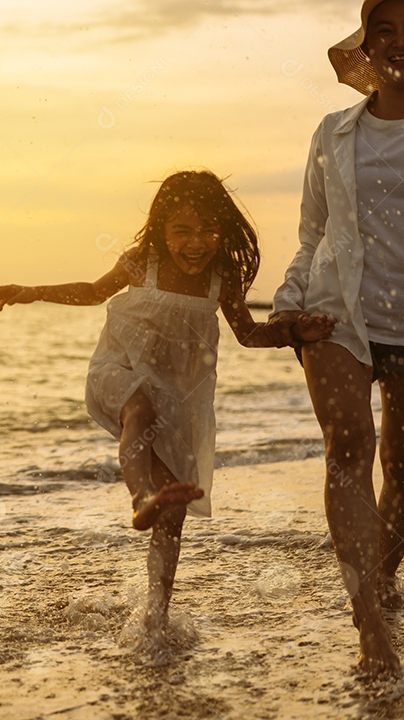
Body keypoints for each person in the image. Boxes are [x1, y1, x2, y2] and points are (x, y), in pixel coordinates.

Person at [0, 170, 334, 650]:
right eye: (182, 231)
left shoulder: (222, 279)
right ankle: (140, 501)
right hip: (119, 369)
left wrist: (297, 331)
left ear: (224, 231)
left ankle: (156, 613)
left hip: (183, 399)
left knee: (173, 518)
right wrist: (32, 291)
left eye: (208, 231)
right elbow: (92, 292)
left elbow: (250, 334)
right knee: (140, 411)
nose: (196, 243)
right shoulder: (141, 262)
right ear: (161, 230)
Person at [269, 0, 404, 677]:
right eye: (386, 30)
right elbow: (312, 236)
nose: (399, 42)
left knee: (403, 478)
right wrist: (287, 305)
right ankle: (369, 623)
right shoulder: (332, 132)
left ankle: (381, 576)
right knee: (349, 450)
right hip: (337, 318)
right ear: (367, 47)